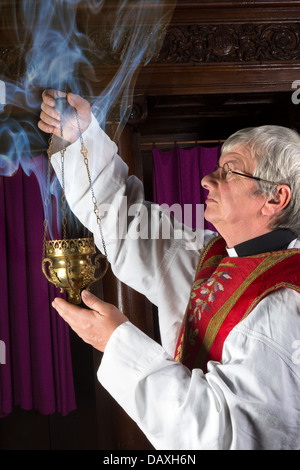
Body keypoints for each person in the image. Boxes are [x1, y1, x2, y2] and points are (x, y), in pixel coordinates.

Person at [38, 89, 300, 450]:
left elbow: (224, 438)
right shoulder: (212, 256)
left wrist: (115, 342)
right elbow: (126, 221)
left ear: (275, 198)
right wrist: (81, 139)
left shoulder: (286, 301)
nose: (208, 180)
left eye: (229, 172)